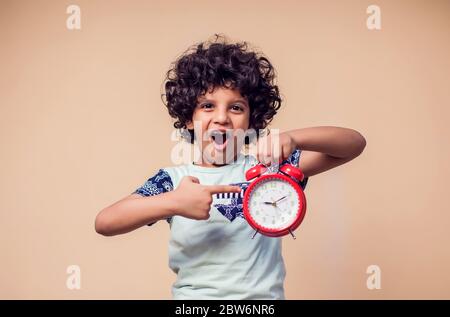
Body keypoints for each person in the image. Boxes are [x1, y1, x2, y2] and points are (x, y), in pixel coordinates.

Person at [95, 34, 366, 299]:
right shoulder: (173, 180)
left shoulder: (271, 170)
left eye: (236, 108)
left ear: (252, 119)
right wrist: (174, 203)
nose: (222, 118)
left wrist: (294, 138)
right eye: (207, 106)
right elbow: (105, 222)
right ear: (189, 118)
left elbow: (353, 145)